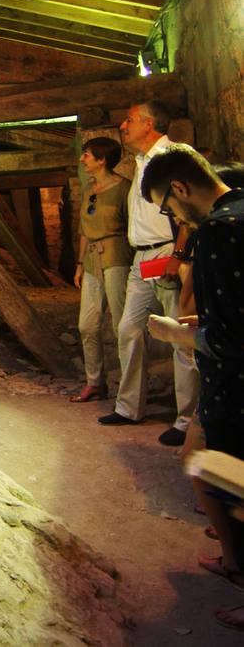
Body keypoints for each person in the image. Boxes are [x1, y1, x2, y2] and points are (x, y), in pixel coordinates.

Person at [141, 147, 244, 629]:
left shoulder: (220, 231)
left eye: (168, 205)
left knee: (232, 484)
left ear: (180, 189)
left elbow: (230, 341)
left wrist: (175, 333)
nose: (172, 215)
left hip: (238, 392)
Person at [97, 101, 197, 446]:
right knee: (128, 329)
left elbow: (191, 208)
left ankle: (186, 420)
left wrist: (180, 254)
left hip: (169, 252)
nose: (122, 125)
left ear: (148, 123)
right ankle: (129, 408)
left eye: (129, 120)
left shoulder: (173, 156)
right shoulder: (139, 162)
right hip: (142, 259)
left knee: (179, 338)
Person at [69, 137, 132, 402]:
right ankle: (95, 382)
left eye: (87, 155)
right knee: (87, 325)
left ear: (102, 159)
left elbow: (132, 226)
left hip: (116, 257)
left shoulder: (123, 189)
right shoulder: (90, 189)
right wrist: (80, 264)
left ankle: (129, 389)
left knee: (121, 326)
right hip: (93, 260)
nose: (83, 159)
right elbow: (84, 229)